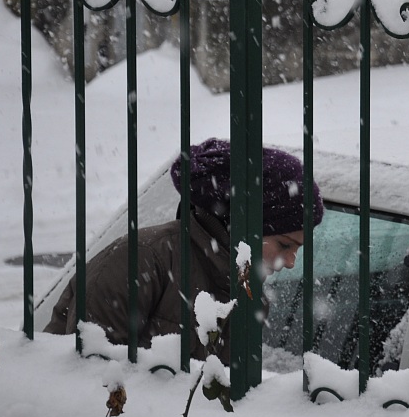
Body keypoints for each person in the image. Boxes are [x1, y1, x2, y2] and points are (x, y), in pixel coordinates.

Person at [45, 138, 324, 358]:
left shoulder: (248, 295)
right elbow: (90, 382)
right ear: (242, 225)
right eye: (285, 245)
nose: (290, 262)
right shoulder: (142, 260)